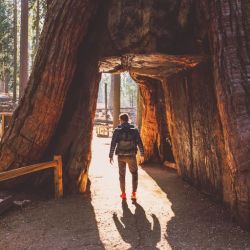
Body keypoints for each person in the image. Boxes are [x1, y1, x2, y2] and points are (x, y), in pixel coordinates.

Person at [109, 113, 144, 200]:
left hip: (121, 156)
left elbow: (113, 143)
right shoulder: (134, 130)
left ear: (121, 120)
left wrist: (111, 155)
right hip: (131, 155)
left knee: (122, 175)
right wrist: (142, 154)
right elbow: (140, 142)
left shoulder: (117, 130)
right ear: (128, 120)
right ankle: (133, 194)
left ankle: (123, 194)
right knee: (134, 174)